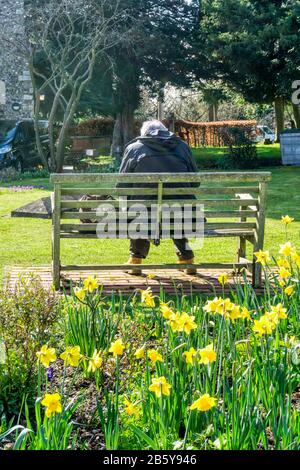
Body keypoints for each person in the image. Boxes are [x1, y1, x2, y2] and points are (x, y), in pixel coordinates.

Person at [119, 120, 198, 275]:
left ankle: (135, 260)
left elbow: (122, 185)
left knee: (139, 208)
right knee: (178, 208)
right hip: (181, 214)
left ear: (144, 134)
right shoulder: (182, 147)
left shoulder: (133, 148)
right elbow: (195, 182)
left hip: (143, 214)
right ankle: (187, 259)